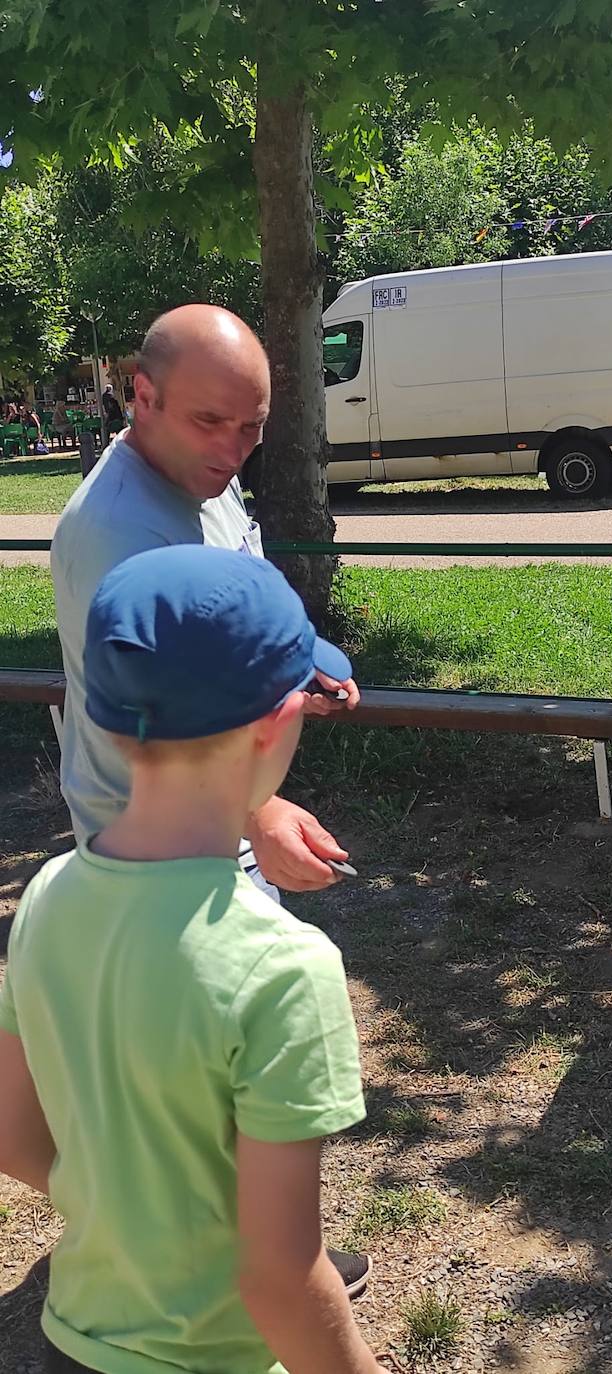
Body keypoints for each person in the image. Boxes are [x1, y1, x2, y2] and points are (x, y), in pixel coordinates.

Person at [0, 545, 386, 1374]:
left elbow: (14, 1137)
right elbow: (281, 1280)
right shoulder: (284, 967)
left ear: (102, 715)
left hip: (75, 1339)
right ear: (276, 723)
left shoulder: (45, 898)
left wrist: (123, 1214)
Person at [51, 304, 359, 899]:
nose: (233, 448)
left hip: (217, 815)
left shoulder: (198, 469)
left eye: (252, 426)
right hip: (152, 849)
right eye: (209, 420)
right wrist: (262, 815)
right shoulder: (118, 533)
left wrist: (293, 665)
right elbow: (161, 721)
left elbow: (229, 608)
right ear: (144, 395)